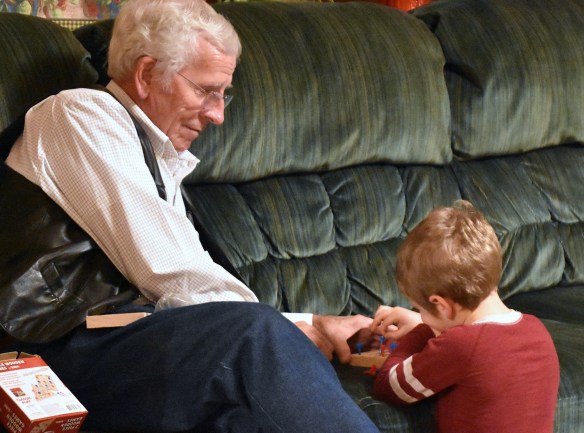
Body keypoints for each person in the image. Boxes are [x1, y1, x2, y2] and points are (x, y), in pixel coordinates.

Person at [4, 0, 379, 431]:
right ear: (146, 74)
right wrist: (284, 332)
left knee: (247, 411)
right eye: (205, 91)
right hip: (53, 359)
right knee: (254, 340)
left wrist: (314, 325)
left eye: (223, 94)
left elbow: (191, 298)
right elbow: (172, 273)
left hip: (135, 345)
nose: (218, 115)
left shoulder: (159, 157)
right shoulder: (80, 116)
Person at [369, 200, 560, 433]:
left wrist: (422, 331)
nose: (422, 317)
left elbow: (388, 385)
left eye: (419, 309)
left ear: (441, 305)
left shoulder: (460, 345)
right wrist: (426, 322)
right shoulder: (537, 330)